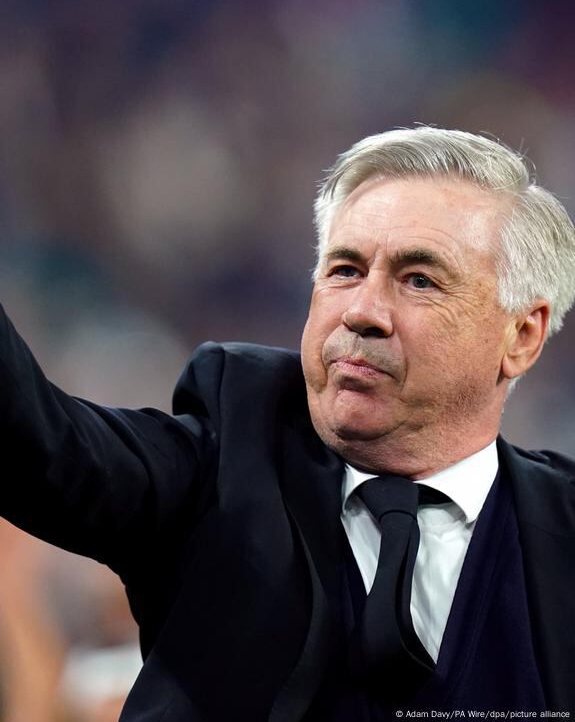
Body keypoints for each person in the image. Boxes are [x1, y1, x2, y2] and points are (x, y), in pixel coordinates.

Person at [1, 126, 575, 721]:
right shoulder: (222, 465)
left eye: (419, 280)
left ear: (521, 334)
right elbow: (38, 443)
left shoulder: (561, 530)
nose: (362, 311)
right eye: (345, 270)